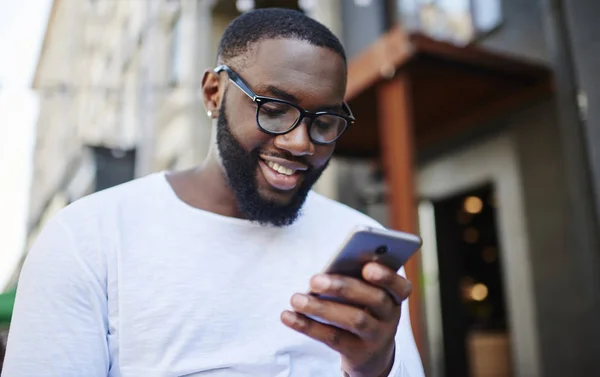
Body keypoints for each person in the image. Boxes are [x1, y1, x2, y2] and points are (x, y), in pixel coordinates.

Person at [2, 8, 424, 377]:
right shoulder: (88, 237)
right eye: (274, 110)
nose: (301, 143)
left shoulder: (357, 241)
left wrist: (374, 367)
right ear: (213, 94)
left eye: (325, 121)